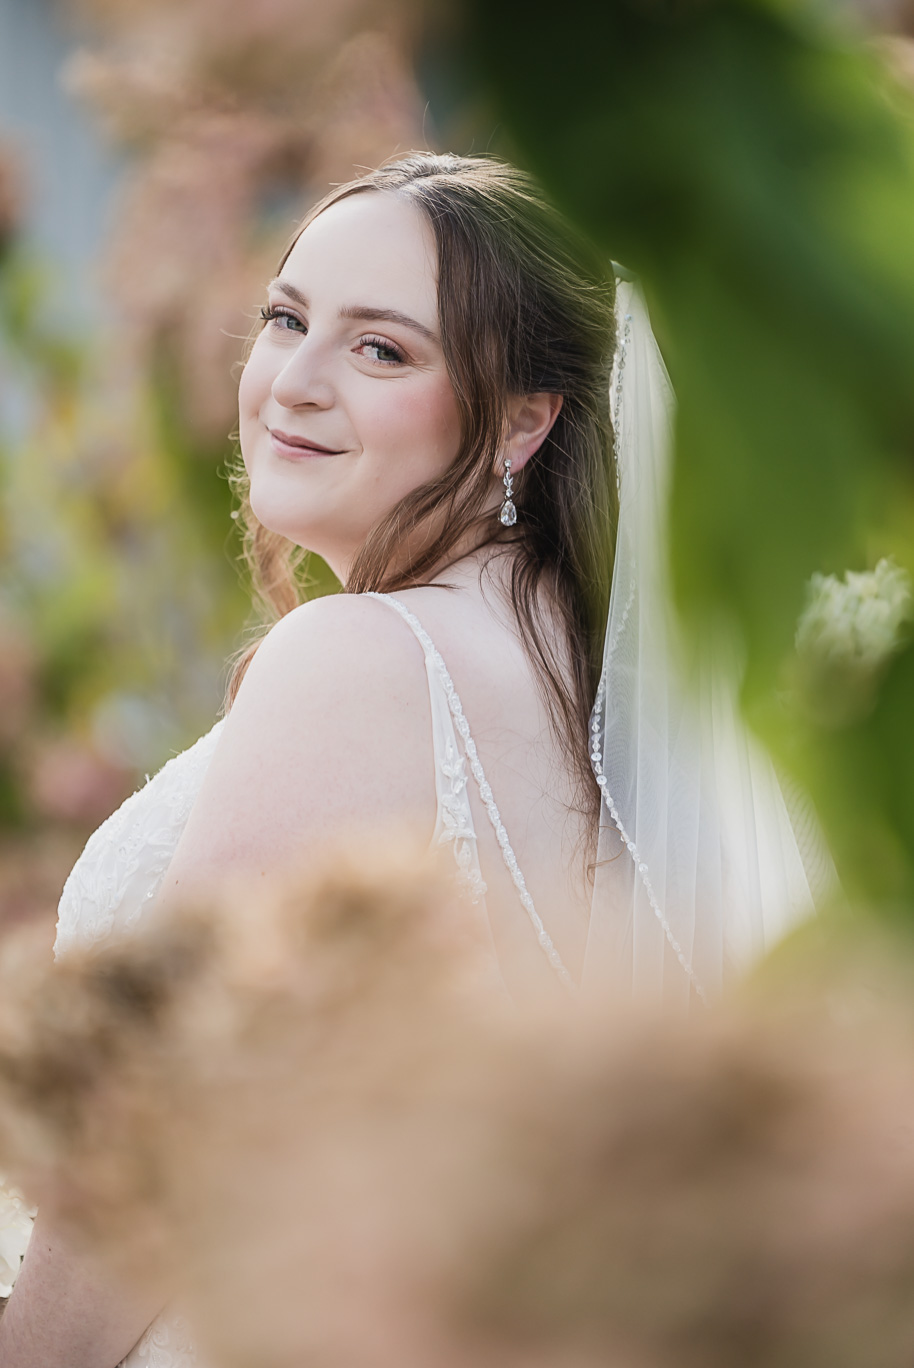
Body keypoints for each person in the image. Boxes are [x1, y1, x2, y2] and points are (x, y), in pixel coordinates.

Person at [0, 150, 822, 1366]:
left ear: (524, 419)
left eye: (381, 350)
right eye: (286, 319)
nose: (294, 382)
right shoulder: (577, 681)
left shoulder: (359, 660)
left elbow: (165, 1134)